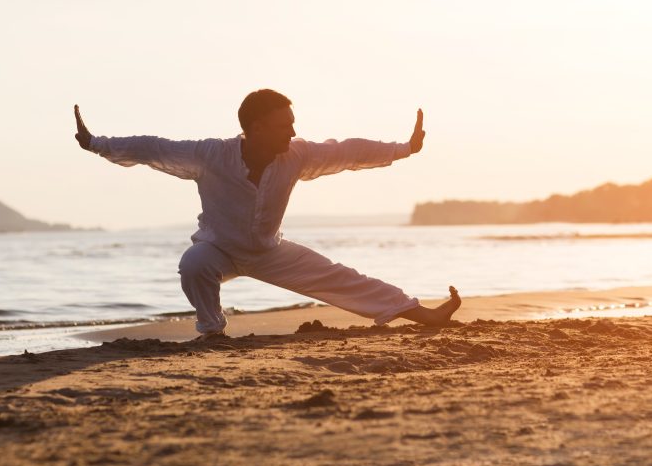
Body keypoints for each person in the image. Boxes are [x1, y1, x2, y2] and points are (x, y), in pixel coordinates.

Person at [73, 89, 461, 338]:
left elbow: (348, 151)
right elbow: (154, 147)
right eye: (284, 126)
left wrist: (404, 148)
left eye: (292, 125)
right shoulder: (211, 155)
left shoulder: (297, 155)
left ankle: (424, 316)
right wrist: (95, 143)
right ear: (256, 128)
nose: (292, 133)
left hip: (269, 251)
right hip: (219, 249)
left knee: (341, 277)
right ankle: (212, 332)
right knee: (193, 263)